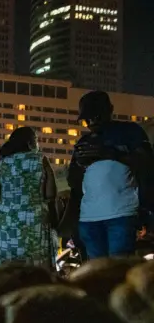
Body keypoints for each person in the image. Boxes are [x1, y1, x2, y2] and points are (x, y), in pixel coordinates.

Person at [66, 91, 154, 259]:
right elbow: (73, 182)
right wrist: (80, 164)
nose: (91, 123)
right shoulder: (83, 142)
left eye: (96, 116)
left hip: (121, 214)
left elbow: (147, 163)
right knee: (97, 273)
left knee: (117, 268)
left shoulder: (129, 132)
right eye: (87, 119)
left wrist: (110, 153)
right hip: (89, 217)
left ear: (109, 111)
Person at [0, 127, 57, 269]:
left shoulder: (2, 163)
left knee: (6, 264)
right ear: (30, 142)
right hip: (33, 218)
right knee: (34, 264)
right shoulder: (40, 160)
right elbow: (50, 193)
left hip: (5, 219)